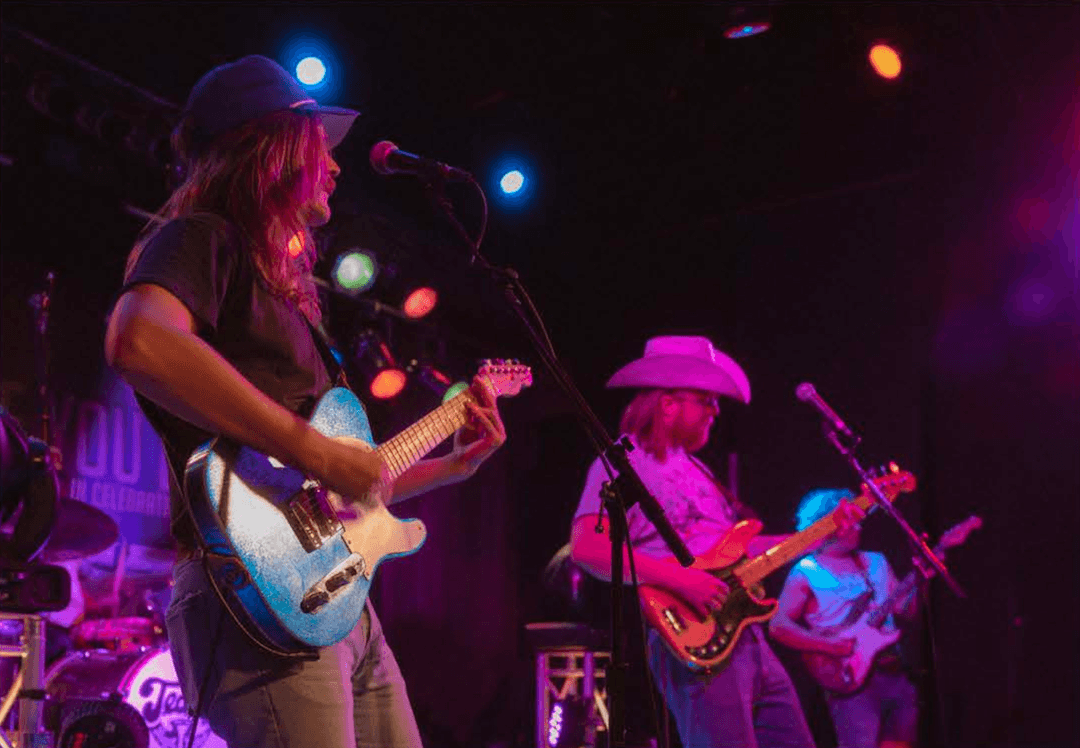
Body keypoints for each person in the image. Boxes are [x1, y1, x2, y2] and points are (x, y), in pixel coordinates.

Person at [103, 55, 506, 748]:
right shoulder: (203, 236)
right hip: (253, 604)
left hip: (336, 605)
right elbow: (137, 341)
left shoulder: (290, 300)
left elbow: (327, 500)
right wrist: (316, 447)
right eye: (322, 146)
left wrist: (451, 467)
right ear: (274, 149)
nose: (339, 167)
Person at [568, 335, 862, 748]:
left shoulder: (701, 472)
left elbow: (740, 553)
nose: (716, 410)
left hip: (747, 637)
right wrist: (684, 580)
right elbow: (587, 549)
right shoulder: (621, 464)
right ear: (668, 404)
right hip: (695, 636)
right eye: (705, 399)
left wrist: (820, 533)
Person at [769, 488, 919, 748]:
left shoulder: (875, 561)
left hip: (894, 671)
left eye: (859, 518)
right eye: (850, 519)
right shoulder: (807, 571)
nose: (858, 525)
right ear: (825, 525)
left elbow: (907, 609)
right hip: (850, 681)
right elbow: (779, 626)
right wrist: (830, 646)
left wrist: (923, 580)